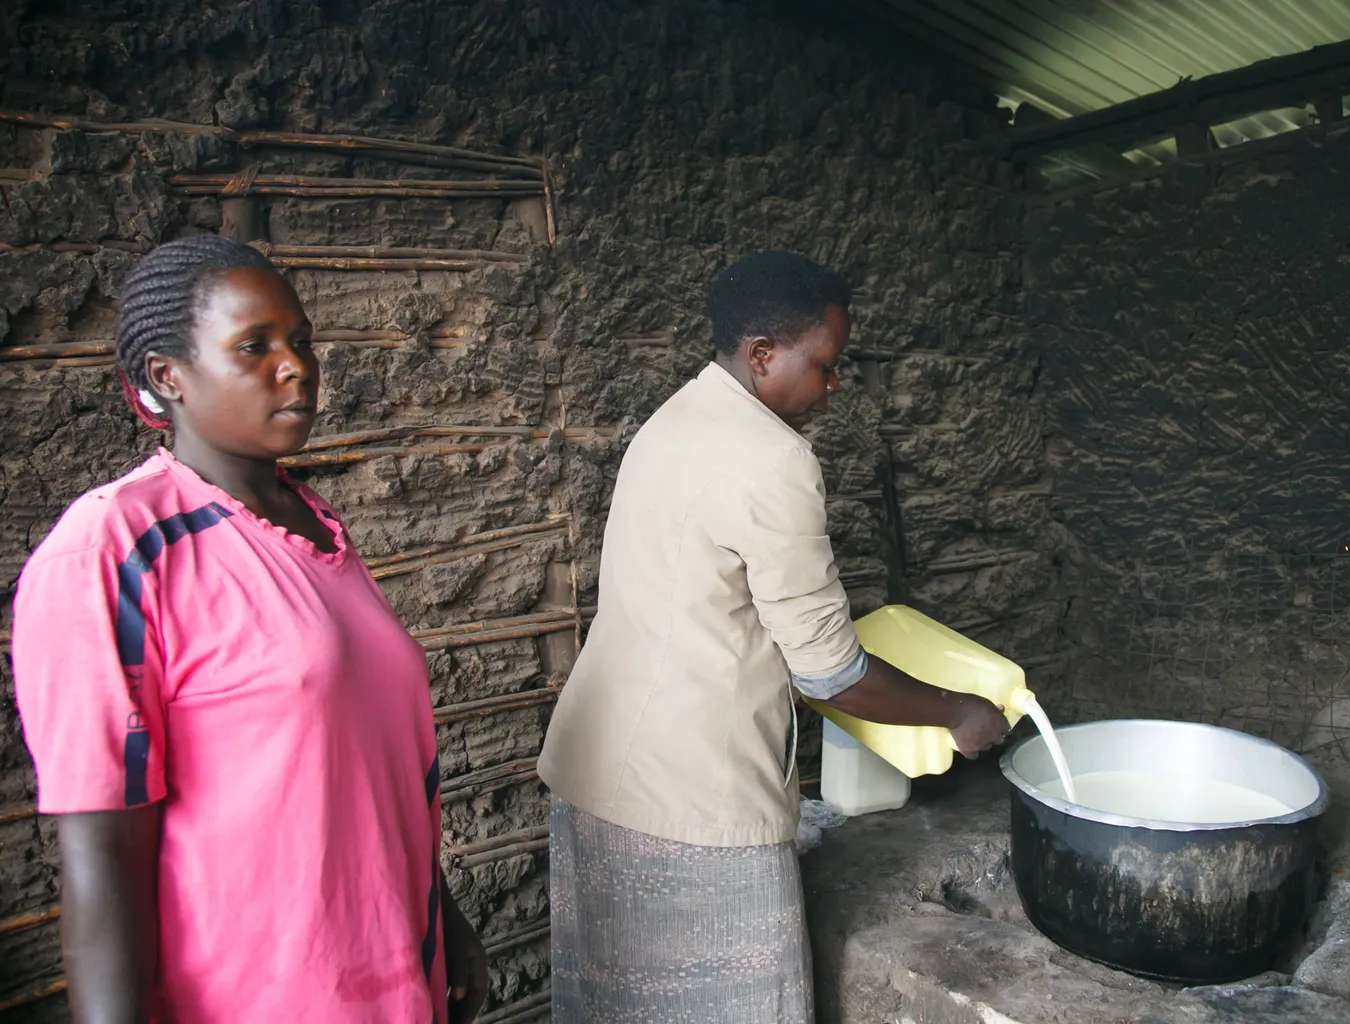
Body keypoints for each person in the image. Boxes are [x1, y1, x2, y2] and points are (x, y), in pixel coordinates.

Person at [11, 235, 489, 1023]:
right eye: (253, 346)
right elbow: (101, 856)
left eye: (299, 340)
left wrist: (445, 917)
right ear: (169, 378)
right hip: (260, 998)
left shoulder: (317, 524)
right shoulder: (115, 548)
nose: (295, 365)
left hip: (396, 980)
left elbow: (361, 772)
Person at [537, 251, 1010, 1022]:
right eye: (825, 366)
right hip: (690, 800)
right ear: (762, 355)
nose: (831, 387)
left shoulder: (677, 419)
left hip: (599, 771)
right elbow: (831, 674)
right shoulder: (771, 460)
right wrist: (958, 713)